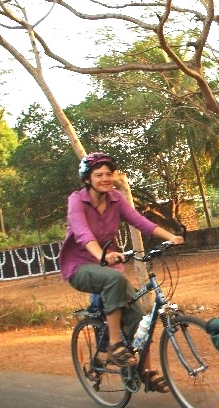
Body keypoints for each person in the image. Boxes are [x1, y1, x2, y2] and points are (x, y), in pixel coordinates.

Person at [58, 152, 184, 392]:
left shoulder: (116, 198)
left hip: (109, 267)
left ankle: (144, 372)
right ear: (87, 179)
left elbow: (139, 221)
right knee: (115, 278)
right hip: (80, 266)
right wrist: (102, 256)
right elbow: (83, 233)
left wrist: (171, 237)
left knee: (140, 317)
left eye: (108, 174)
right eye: (98, 175)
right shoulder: (77, 200)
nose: (105, 178)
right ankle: (115, 343)